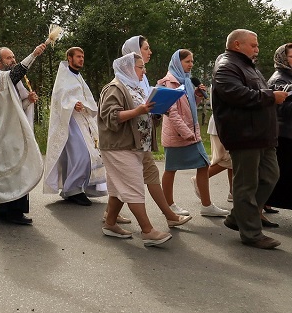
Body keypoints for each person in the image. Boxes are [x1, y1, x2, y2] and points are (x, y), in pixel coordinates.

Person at [212, 29, 287, 249]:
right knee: (246, 184)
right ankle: (251, 234)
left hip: (261, 134)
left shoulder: (245, 65)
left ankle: (238, 217)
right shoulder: (226, 65)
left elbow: (254, 90)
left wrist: (272, 92)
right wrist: (271, 96)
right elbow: (235, 93)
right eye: (253, 45)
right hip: (244, 134)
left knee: (270, 176)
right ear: (237, 44)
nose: (257, 49)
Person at [99, 53, 173, 246]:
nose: (144, 71)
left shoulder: (135, 87)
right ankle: (147, 231)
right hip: (119, 146)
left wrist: (157, 112)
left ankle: (110, 223)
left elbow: (144, 114)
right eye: (140, 67)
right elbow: (110, 116)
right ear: (129, 69)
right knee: (133, 186)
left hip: (135, 145)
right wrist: (138, 111)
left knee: (119, 188)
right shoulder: (114, 88)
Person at [120, 35, 190, 226]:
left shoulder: (142, 77)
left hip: (142, 137)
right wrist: (143, 108)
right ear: (134, 52)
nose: (150, 52)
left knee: (139, 177)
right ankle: (160, 221)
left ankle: (111, 216)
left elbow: (146, 101)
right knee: (130, 181)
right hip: (129, 140)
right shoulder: (121, 82)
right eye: (146, 49)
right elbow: (117, 113)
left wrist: (161, 105)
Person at [157, 49, 229, 217]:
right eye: (187, 61)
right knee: (171, 168)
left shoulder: (187, 81)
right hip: (178, 135)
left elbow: (188, 108)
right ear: (177, 62)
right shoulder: (170, 83)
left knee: (203, 165)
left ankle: (207, 205)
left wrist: (197, 96)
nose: (191, 65)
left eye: (192, 61)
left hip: (191, 133)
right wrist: (186, 131)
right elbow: (171, 112)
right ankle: (169, 205)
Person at [0, 43, 46, 225]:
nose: (13, 60)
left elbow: (16, 106)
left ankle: (16, 211)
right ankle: (3, 211)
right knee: (6, 169)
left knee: (20, 169)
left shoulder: (12, 81)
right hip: (4, 132)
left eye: (13, 57)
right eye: (8, 58)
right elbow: (14, 73)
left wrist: (28, 100)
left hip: (15, 130)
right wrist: (33, 55)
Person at [43, 47, 106, 205]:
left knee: (91, 155)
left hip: (83, 121)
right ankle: (72, 190)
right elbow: (58, 100)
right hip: (69, 122)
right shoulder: (64, 76)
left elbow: (86, 97)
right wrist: (72, 104)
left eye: (83, 56)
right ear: (69, 59)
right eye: (78, 56)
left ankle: (82, 187)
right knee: (81, 155)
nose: (81, 59)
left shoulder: (78, 77)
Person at [266, 43, 292, 213]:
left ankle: (264, 204)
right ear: (283, 58)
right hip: (283, 134)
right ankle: (260, 207)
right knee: (279, 175)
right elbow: (280, 108)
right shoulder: (278, 79)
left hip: (288, 132)